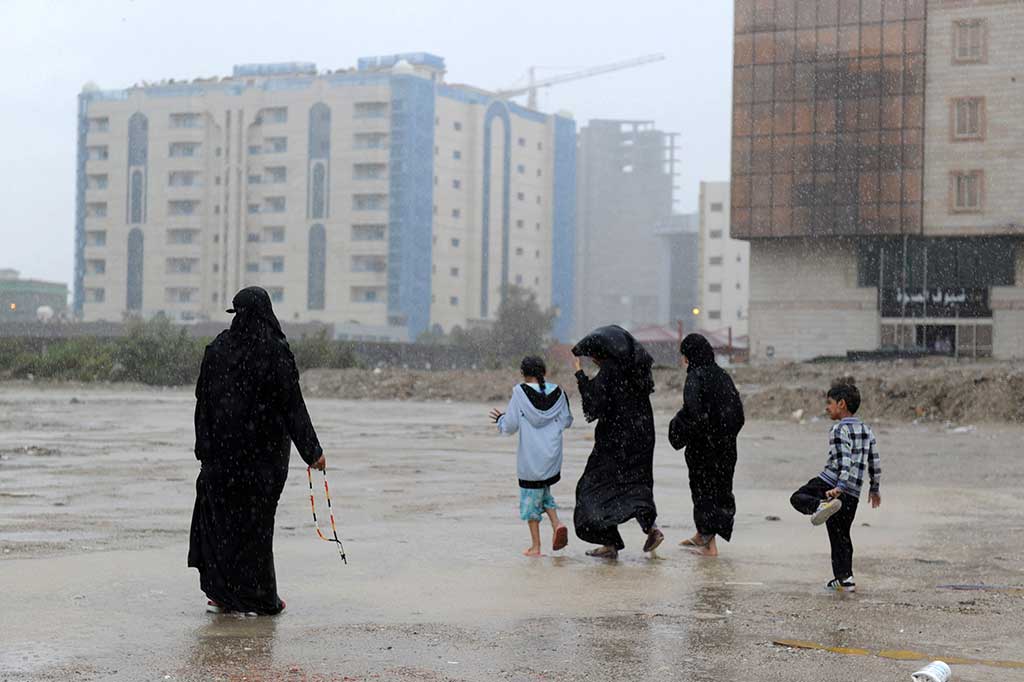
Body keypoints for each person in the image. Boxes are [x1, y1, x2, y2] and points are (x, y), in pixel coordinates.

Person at [189, 286, 326, 615]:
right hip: (262, 461)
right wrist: (313, 452)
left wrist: (205, 450)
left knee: (222, 527)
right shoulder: (275, 351)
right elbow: (293, 406)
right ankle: (257, 598)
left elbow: (202, 404)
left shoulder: (218, 349)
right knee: (255, 528)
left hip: (221, 459)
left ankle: (222, 595)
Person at [571, 325, 663, 559]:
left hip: (615, 440)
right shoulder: (636, 369)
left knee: (591, 488)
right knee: (637, 483)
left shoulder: (611, 370)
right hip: (642, 436)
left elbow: (594, 406)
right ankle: (651, 529)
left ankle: (609, 542)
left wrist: (581, 376)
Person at [789, 379, 881, 593]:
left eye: (829, 403)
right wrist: (874, 488)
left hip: (831, 485)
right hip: (854, 493)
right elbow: (874, 461)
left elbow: (844, 459)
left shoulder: (839, 429)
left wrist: (839, 486)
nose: (826, 407)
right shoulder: (867, 430)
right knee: (841, 535)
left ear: (841, 404)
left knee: (797, 497)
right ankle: (845, 579)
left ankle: (820, 505)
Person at [668, 334, 745, 557]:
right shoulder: (723, 375)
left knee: (703, 491)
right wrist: (725, 437)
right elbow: (738, 415)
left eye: (684, 355)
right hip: (726, 448)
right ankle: (703, 535)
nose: (683, 359)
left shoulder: (695, 376)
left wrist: (687, 432)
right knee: (720, 490)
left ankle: (709, 546)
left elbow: (694, 413)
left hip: (704, 449)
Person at [489, 356, 573, 557]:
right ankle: (557, 524)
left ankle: (536, 547)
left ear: (523, 373)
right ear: (544, 371)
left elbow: (510, 426)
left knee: (529, 500)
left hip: (531, 456)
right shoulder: (559, 392)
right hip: (551, 455)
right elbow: (567, 421)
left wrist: (500, 420)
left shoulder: (519, 392)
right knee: (543, 492)